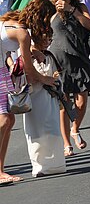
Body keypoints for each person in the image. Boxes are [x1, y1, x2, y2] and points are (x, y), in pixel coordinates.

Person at [0, 0, 57, 185]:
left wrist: (33, 52)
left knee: (9, 119)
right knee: (5, 119)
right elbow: (29, 70)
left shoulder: (12, 20)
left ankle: (0, 170)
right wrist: (47, 79)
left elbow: (9, 51)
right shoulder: (23, 32)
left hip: (2, 70)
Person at [50, 0, 90, 157]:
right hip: (59, 59)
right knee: (64, 103)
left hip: (78, 57)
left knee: (82, 99)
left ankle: (75, 128)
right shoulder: (51, 8)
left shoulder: (80, 7)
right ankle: (66, 143)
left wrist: (72, 10)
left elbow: (89, 25)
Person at [23, 33, 66, 177]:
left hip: (49, 96)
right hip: (34, 97)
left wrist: (55, 84)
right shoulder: (27, 55)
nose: (49, 42)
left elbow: (56, 76)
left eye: (50, 39)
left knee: (52, 128)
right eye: (46, 38)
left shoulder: (48, 56)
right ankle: (40, 166)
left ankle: (56, 164)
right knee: (35, 132)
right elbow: (27, 76)